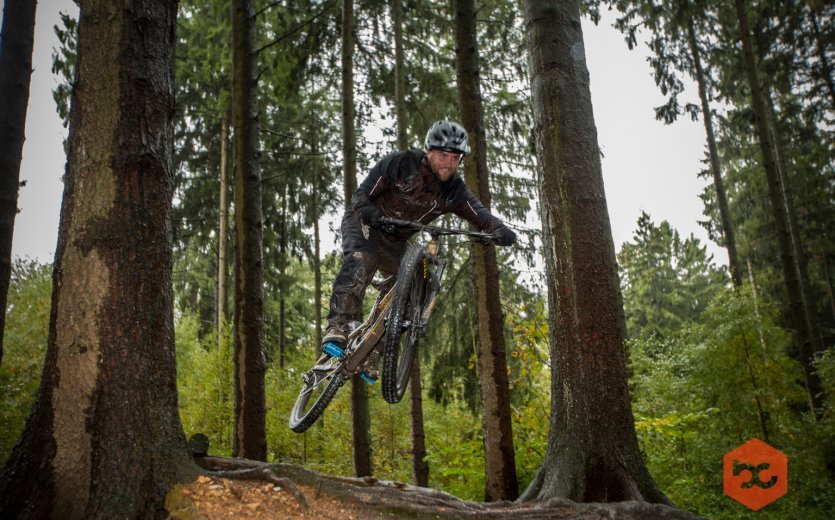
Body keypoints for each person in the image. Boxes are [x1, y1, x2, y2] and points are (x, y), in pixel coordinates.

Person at [322, 120, 517, 368]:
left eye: (455, 157)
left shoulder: (453, 190)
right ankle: (337, 326)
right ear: (428, 151)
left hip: (396, 239)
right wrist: (375, 217)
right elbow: (360, 196)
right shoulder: (400, 164)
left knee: (420, 285)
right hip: (366, 223)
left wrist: (500, 231)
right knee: (364, 258)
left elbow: (480, 215)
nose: (449, 163)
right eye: (443, 155)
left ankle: (373, 351)